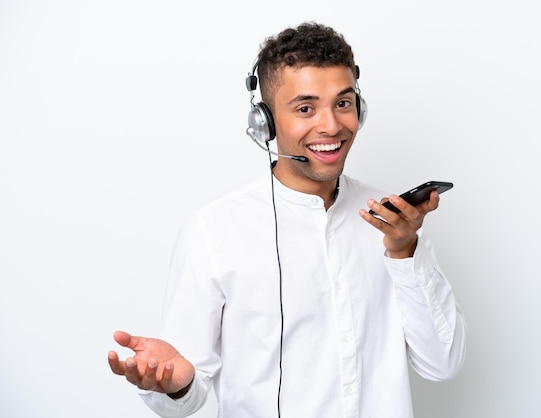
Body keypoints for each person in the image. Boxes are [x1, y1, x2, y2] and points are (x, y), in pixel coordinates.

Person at [108, 21, 466, 418]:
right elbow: (184, 396)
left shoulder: (393, 222)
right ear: (265, 121)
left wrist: (404, 252)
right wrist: (174, 386)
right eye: (305, 108)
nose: (331, 126)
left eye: (343, 103)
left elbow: (441, 364)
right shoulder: (215, 230)